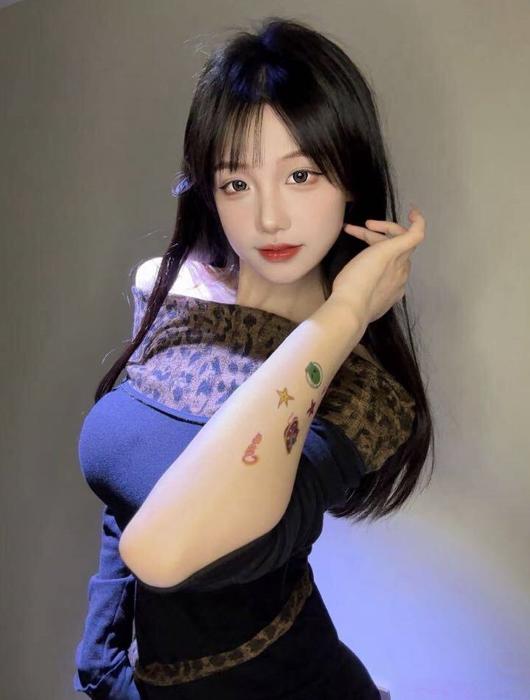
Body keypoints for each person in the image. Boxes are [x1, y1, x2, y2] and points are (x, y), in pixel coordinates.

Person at [73, 16, 432, 700]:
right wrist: (100, 667)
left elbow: (163, 549)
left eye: (301, 175)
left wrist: (343, 317)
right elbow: (125, 505)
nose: (269, 218)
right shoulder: (177, 292)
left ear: (350, 180)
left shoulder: (362, 392)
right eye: (237, 182)